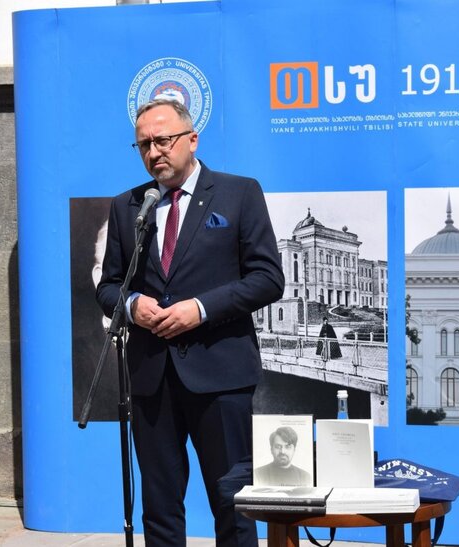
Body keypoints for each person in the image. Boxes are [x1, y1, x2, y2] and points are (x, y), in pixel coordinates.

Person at [96, 98, 284, 547]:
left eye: (163, 140)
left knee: (234, 504)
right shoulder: (128, 207)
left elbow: (268, 278)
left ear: (192, 139)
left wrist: (199, 309)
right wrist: (132, 305)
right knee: (159, 509)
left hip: (220, 376)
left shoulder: (239, 193)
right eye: (143, 144)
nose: (154, 151)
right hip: (151, 379)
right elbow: (108, 286)